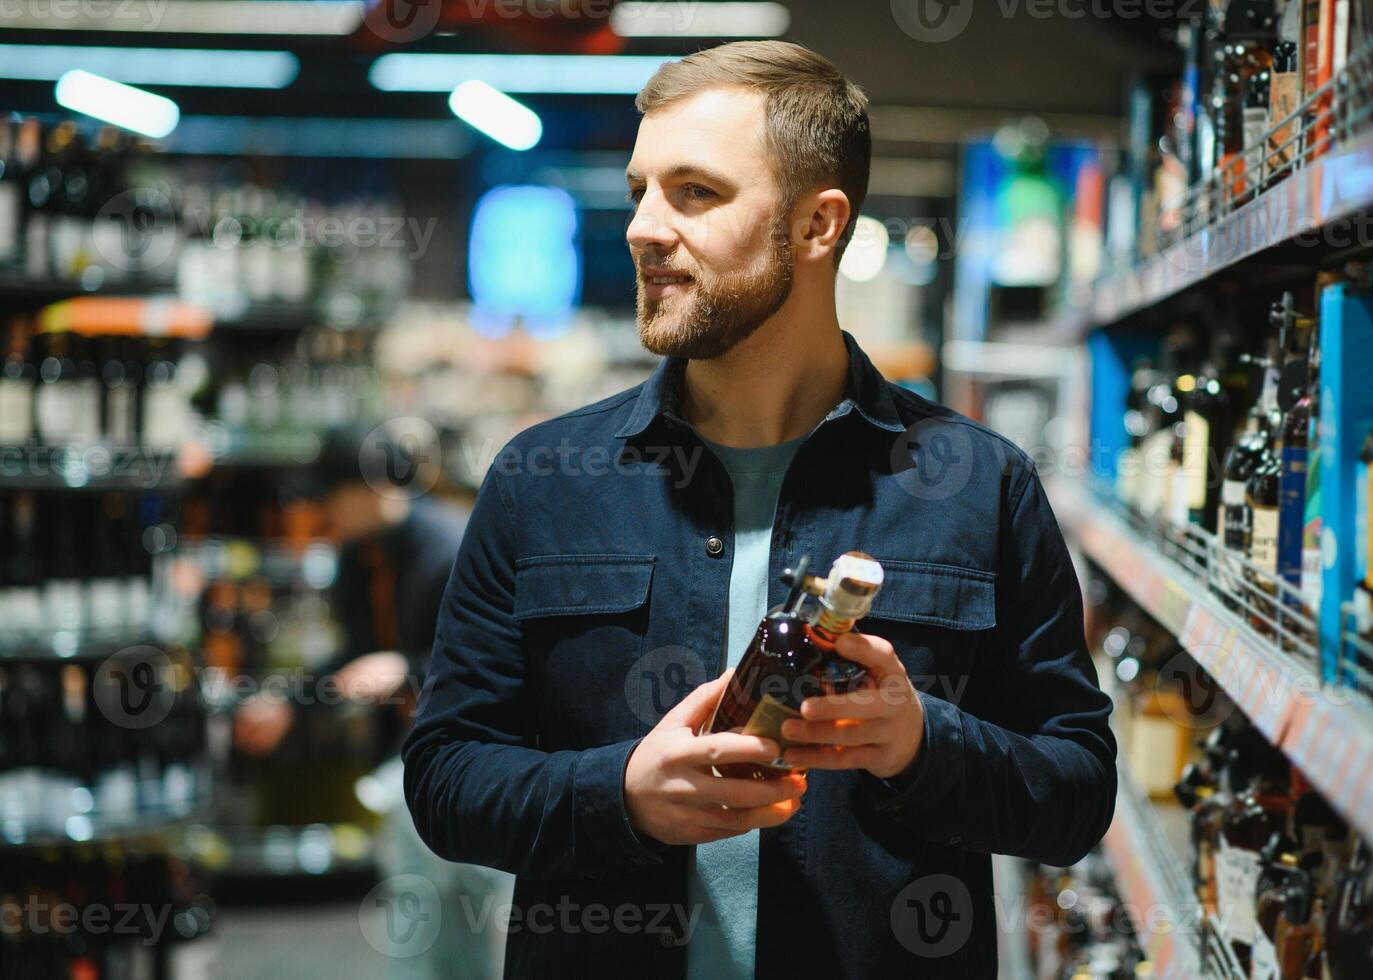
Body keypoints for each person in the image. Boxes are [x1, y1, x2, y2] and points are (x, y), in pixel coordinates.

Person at [403, 40, 1116, 980]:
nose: (643, 229)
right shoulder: (544, 478)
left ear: (818, 225)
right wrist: (617, 793)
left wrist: (919, 744)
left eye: (695, 192)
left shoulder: (977, 484)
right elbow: (446, 775)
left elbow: (1075, 793)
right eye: (638, 191)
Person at [232, 422, 512, 979]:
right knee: (426, 918)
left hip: (478, 759)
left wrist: (405, 668)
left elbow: (500, 662)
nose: (321, 513)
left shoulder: (454, 545)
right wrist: (292, 704)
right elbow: (354, 655)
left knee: (457, 922)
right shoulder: (357, 559)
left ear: (372, 489)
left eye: (331, 497)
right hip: (412, 765)